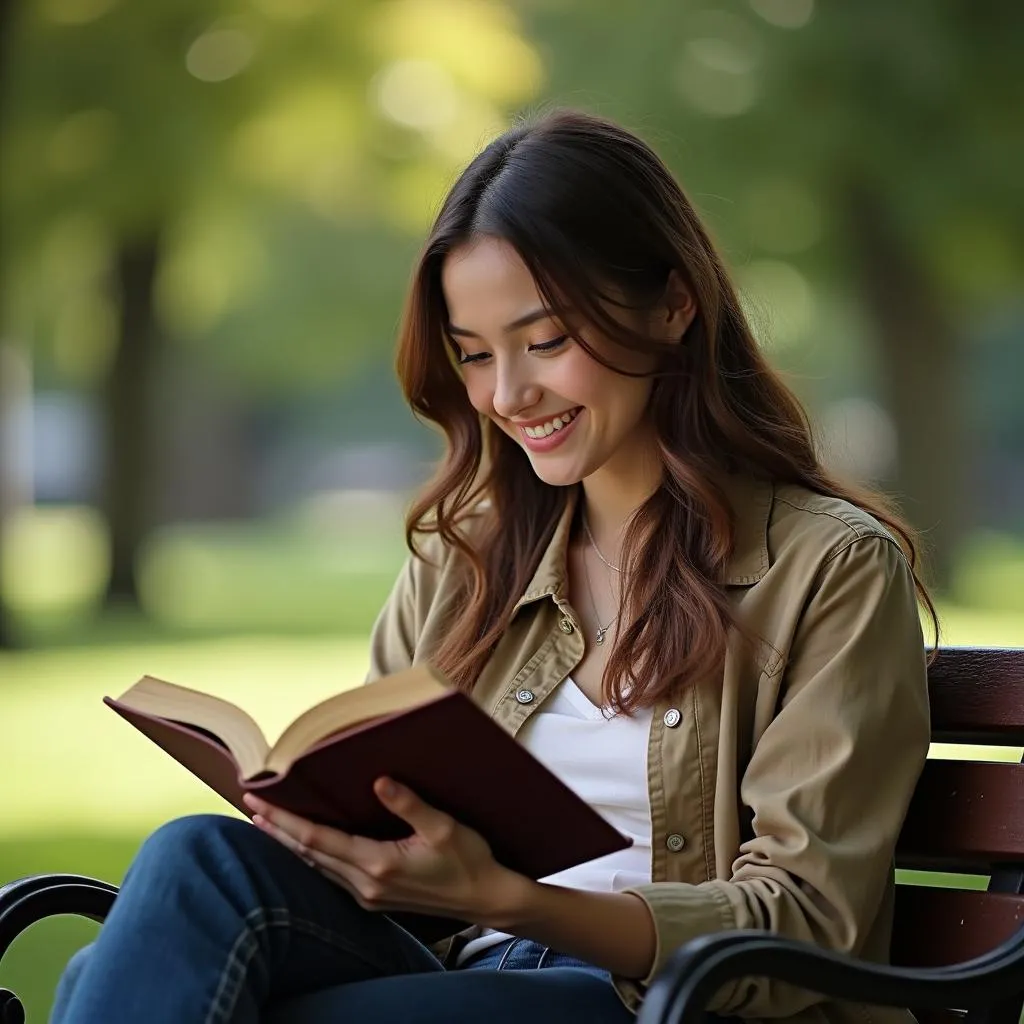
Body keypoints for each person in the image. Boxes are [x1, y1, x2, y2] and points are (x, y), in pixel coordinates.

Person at [50, 108, 935, 1024]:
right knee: (199, 861)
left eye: (545, 341)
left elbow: (807, 923)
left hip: (662, 1005)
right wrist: (331, 832)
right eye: (474, 356)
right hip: (461, 975)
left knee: (124, 990)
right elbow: (388, 839)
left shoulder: (828, 569)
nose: (508, 396)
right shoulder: (463, 558)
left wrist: (514, 901)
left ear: (674, 305)